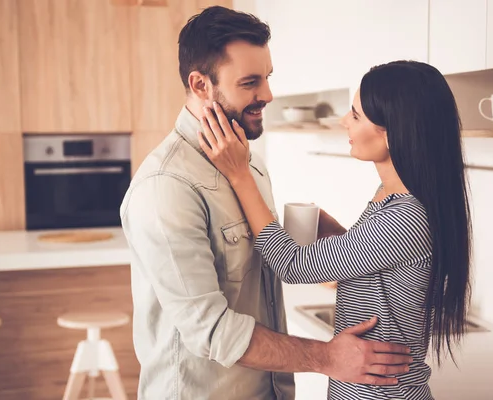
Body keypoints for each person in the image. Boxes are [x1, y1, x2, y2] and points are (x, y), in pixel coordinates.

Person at [120, 7, 412, 399]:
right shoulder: (165, 187)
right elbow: (212, 331)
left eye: (268, 77)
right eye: (250, 82)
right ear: (201, 84)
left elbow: (270, 266)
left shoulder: (248, 163)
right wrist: (327, 358)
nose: (268, 95)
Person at [199, 60, 472, 399]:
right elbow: (385, 268)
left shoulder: (406, 215)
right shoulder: (392, 198)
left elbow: (292, 265)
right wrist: (341, 238)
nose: (345, 121)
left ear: (392, 132)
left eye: (355, 115)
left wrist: (239, 174)